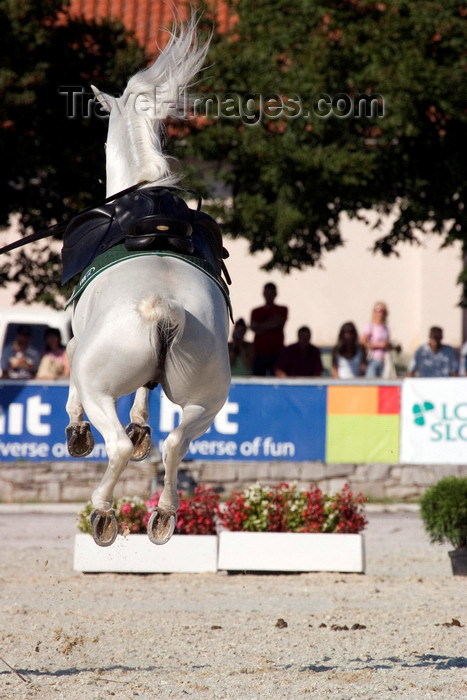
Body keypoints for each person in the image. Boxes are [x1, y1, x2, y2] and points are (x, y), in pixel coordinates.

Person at [250, 282, 288, 376]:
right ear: (263, 294)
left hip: (277, 353)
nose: (269, 295)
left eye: (271, 293)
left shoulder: (282, 309)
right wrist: (270, 325)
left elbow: (278, 323)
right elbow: (255, 329)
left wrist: (260, 325)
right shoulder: (256, 311)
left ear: (275, 294)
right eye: (267, 293)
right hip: (259, 353)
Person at [361, 302, 392, 378]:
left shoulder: (385, 328)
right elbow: (362, 342)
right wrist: (378, 345)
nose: (380, 313)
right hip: (372, 359)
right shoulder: (370, 326)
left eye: (382, 311)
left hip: (383, 361)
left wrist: (389, 345)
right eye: (377, 310)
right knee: (371, 383)